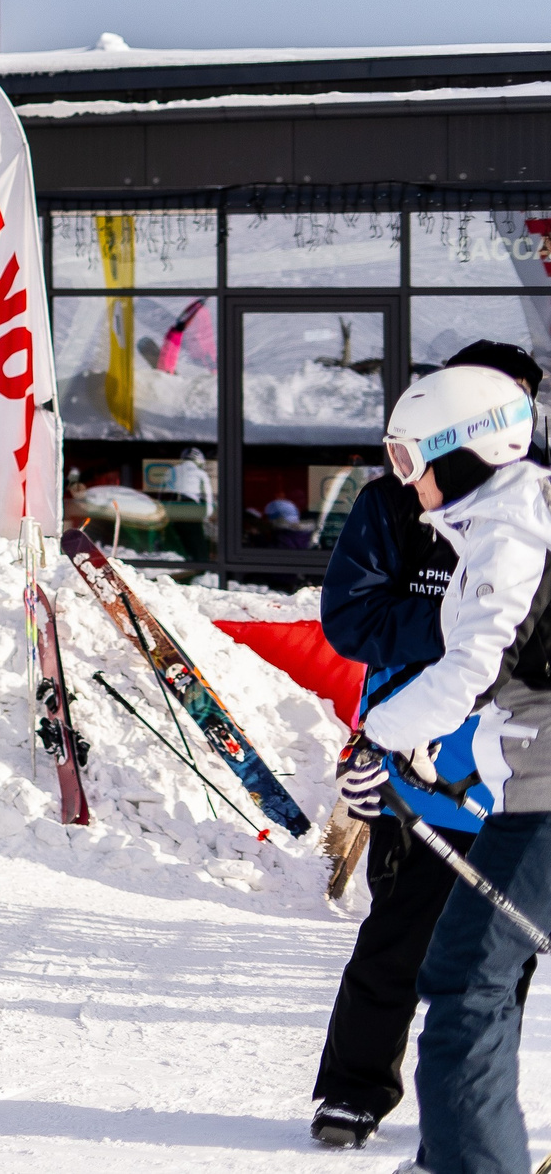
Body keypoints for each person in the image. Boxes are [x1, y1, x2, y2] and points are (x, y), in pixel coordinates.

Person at [313, 342, 545, 1149]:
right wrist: (443, 628)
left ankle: (473, 1140)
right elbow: (350, 620)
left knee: (483, 970)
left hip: (510, 770)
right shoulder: (398, 506)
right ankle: (358, 1093)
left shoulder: (518, 521)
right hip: (432, 761)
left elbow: (484, 660)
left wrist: (469, 636)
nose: (409, 474)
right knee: (411, 938)